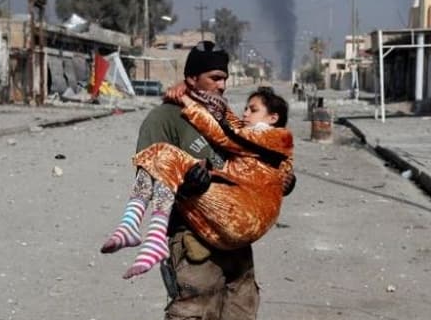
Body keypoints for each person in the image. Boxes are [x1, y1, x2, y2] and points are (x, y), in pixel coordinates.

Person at [114, 41, 295, 320]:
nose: (222, 85)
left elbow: (253, 159)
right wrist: (187, 184)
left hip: (235, 240)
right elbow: (151, 171)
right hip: (191, 238)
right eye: (215, 77)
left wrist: (280, 179)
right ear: (192, 78)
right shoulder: (164, 119)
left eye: (224, 78)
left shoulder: (225, 117)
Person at [101, 86, 293, 280]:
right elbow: (235, 126)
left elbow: (227, 134)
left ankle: (147, 233)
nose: (245, 113)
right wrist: (196, 95)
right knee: (159, 159)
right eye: (246, 108)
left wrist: (188, 100)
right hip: (229, 226)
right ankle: (133, 225)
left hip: (240, 212)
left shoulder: (274, 136)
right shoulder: (266, 140)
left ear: (273, 118)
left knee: (163, 153)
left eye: (253, 110)